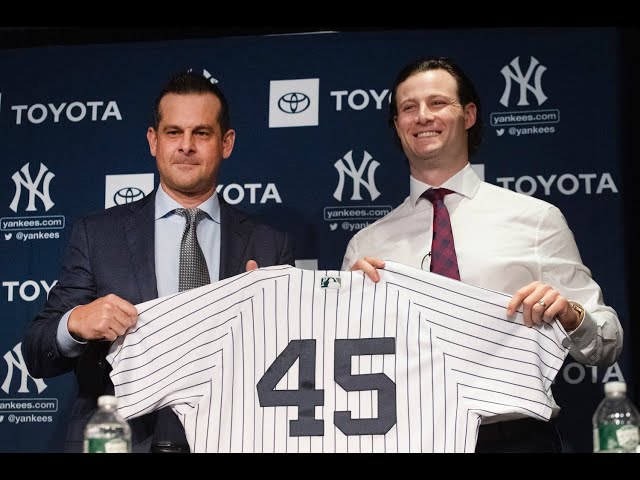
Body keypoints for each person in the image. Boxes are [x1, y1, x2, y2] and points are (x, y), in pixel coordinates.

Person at [341, 56, 623, 453]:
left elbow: (607, 342)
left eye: (438, 103)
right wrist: (349, 308)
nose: (422, 116)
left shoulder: (536, 220)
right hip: (403, 437)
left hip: (512, 439)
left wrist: (571, 314)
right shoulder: (366, 246)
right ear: (397, 125)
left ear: (469, 114)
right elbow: (345, 362)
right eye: (408, 107)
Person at [21, 70, 295, 453]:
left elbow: (292, 360)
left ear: (226, 143)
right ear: (153, 141)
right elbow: (36, 353)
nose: (186, 145)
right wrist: (76, 323)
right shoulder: (98, 235)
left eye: (201, 133)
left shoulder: (269, 245)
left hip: (233, 439)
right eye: (173, 132)